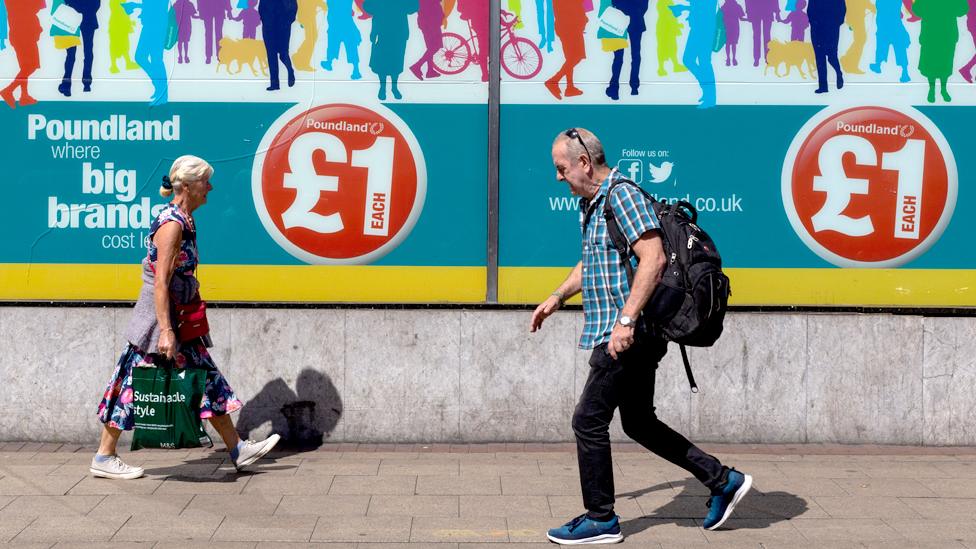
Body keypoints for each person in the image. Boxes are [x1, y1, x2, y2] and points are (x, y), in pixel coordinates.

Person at [533, 128, 752, 545]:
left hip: (627, 332)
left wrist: (626, 321)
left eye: (561, 168)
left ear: (583, 162)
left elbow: (653, 257)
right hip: (627, 329)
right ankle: (722, 480)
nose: (558, 177)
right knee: (638, 422)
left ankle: (601, 519)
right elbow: (593, 262)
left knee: (587, 420)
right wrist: (557, 297)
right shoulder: (594, 203)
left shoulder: (621, 195)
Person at [92, 155, 280, 481]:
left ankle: (237, 449)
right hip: (161, 321)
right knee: (132, 385)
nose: (211, 187)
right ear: (188, 186)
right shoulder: (173, 225)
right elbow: (161, 282)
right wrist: (165, 331)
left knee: (205, 379)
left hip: (178, 318)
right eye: (206, 182)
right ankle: (104, 455)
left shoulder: (183, 219)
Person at [914, 0, 968, 103]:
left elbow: (963, 9)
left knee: (945, 62)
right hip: (931, 33)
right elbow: (917, 9)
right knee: (932, 62)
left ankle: (943, 89)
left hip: (946, 33)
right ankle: (932, 89)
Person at [363, 0, 418, 101]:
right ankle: (383, 88)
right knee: (382, 61)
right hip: (382, 30)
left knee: (396, 60)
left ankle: (394, 87)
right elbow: (367, 6)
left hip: (399, 31)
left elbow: (413, 7)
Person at [0, 0, 44, 109]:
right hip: (26, 34)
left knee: (25, 67)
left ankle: (24, 96)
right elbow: (37, 6)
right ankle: (8, 90)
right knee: (31, 66)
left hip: (18, 34)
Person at [53, 0, 100, 96]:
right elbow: (96, 5)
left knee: (72, 53)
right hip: (87, 20)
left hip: (72, 20)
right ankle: (86, 83)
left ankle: (67, 84)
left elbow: (69, 1)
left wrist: (78, 8)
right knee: (87, 51)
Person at [606, 0, 649, 100]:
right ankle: (634, 87)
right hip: (636, 20)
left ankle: (614, 88)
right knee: (636, 55)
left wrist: (625, 10)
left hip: (619, 20)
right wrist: (635, 12)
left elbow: (614, 2)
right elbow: (645, 6)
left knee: (618, 56)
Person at [808, 0, 845, 93]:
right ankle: (823, 86)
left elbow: (842, 9)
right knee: (823, 57)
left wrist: (837, 23)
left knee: (829, 56)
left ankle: (838, 73)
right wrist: (813, 22)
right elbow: (810, 9)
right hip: (821, 28)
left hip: (828, 27)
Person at [259, 0, 298, 91]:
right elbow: (261, 7)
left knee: (283, 54)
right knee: (271, 55)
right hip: (268, 27)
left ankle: (290, 71)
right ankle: (274, 84)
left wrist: (287, 22)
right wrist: (264, 20)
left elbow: (293, 7)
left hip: (282, 27)